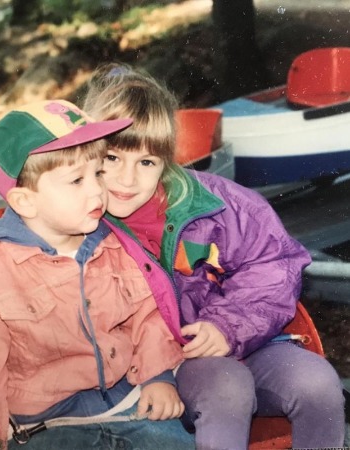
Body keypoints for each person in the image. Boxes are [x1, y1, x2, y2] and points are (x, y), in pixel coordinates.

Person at [81, 63, 347, 449]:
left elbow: (274, 263)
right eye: (112, 159)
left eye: (146, 162)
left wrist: (228, 326)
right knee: (227, 387)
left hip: (248, 340)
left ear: (166, 161)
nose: (127, 179)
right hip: (165, 370)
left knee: (318, 384)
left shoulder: (216, 203)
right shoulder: (82, 223)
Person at [0, 99, 196, 450]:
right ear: (25, 202)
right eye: (76, 180)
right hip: (45, 426)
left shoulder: (115, 242)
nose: (97, 190)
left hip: (129, 403)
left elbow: (148, 313)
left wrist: (158, 376)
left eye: (98, 172)